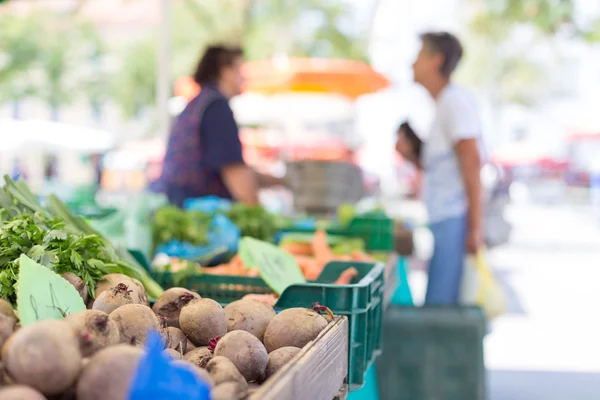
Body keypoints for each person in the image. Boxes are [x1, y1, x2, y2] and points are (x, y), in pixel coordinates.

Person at [158, 45, 280, 207]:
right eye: (240, 70)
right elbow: (236, 175)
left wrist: (276, 180)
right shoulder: (217, 107)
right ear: (225, 71)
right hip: (198, 214)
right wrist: (262, 221)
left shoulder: (198, 102)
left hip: (178, 205)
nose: (244, 78)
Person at [412, 32, 483, 305]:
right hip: (446, 219)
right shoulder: (444, 104)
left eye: (418, 57)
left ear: (435, 60)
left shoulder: (453, 101)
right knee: (439, 300)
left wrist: (474, 229)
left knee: (441, 306)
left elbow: (472, 161)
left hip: (455, 218)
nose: (412, 65)